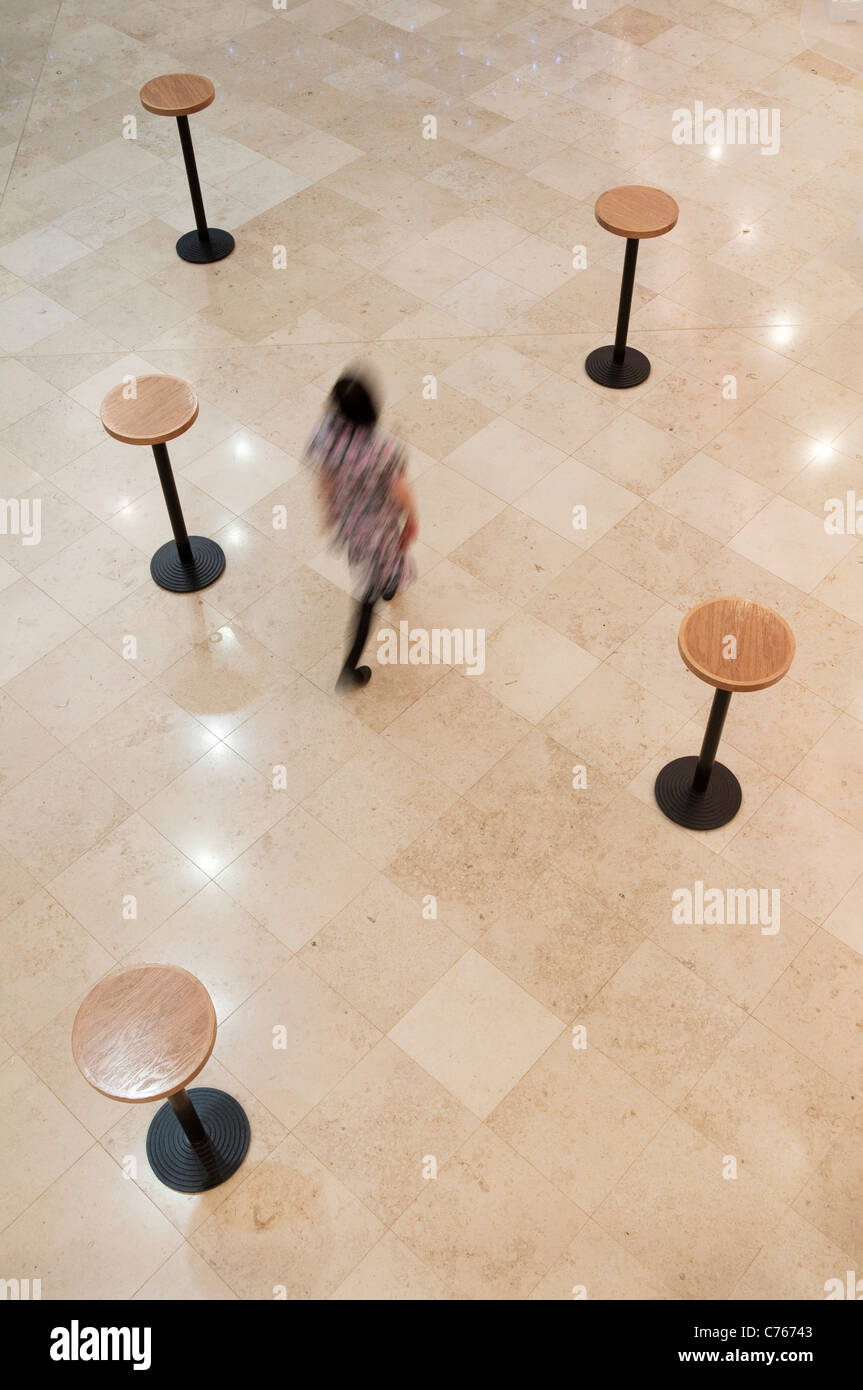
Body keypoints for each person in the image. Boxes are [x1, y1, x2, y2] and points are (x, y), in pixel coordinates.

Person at [304, 367, 418, 687]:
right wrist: (412, 520)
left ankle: (389, 582)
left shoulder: (325, 434)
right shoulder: (381, 449)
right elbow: (401, 492)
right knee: (368, 595)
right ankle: (349, 669)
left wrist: (327, 515)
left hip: (350, 522)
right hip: (378, 529)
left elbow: (324, 481)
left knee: (383, 570)